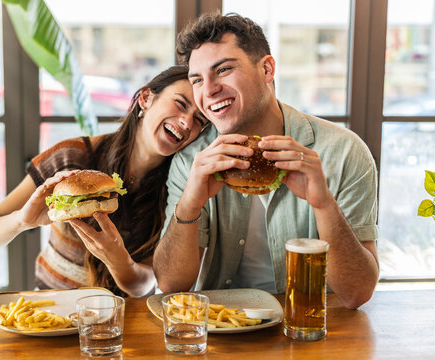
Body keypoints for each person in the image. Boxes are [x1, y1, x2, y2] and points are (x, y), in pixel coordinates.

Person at [152, 13, 379, 309]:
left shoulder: (344, 152)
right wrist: (190, 202)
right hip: (220, 332)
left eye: (223, 70)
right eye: (197, 80)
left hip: (311, 330)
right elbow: (170, 285)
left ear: (267, 69)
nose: (208, 91)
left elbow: (356, 293)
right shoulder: (192, 161)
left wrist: (324, 205)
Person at [0, 65, 209, 297]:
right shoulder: (71, 156)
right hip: (51, 313)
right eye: (180, 104)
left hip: (118, 323)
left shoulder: (178, 188)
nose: (187, 123)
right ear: (146, 98)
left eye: (199, 119)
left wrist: (119, 261)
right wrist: (21, 221)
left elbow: (146, 287)